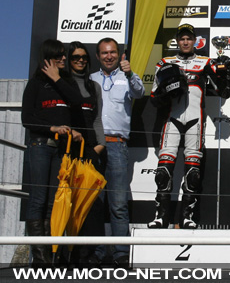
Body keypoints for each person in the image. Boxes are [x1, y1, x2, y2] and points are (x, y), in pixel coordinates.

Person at [148, 23, 230, 229]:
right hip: (171, 121)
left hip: (196, 121)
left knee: (193, 174)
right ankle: (161, 217)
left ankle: (188, 217)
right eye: (182, 38)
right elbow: (153, 98)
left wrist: (223, 73)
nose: (185, 42)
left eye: (189, 38)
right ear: (177, 40)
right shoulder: (165, 62)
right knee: (163, 172)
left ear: (195, 41)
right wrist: (168, 90)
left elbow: (224, 92)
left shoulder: (205, 62)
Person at [21, 39, 83, 266]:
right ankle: (39, 258)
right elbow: (26, 120)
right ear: (48, 58)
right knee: (38, 199)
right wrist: (52, 128)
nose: (65, 59)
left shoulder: (66, 81)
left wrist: (57, 78)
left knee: (53, 202)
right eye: (59, 56)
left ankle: (51, 255)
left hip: (60, 150)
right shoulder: (35, 84)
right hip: (40, 145)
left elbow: (77, 101)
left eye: (64, 55)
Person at [90, 37, 145, 267]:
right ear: (98, 56)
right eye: (104, 53)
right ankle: (97, 252)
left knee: (119, 203)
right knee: (95, 202)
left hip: (117, 144)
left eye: (112, 52)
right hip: (93, 146)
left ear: (118, 54)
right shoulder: (90, 79)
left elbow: (140, 93)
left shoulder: (127, 76)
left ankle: (122, 252)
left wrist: (130, 73)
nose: (109, 56)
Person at [66, 41, 106, 265]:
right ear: (69, 60)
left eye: (83, 58)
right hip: (68, 150)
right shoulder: (62, 84)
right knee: (68, 202)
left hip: (91, 150)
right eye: (75, 58)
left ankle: (88, 255)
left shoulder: (94, 86)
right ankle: (67, 254)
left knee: (90, 204)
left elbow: (98, 119)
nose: (80, 61)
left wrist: (99, 146)